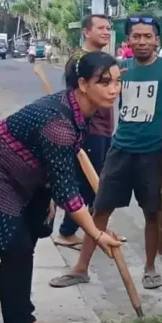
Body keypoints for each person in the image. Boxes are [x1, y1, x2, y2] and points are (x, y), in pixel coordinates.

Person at [0, 51, 123, 323]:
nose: (113, 89)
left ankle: (25, 319)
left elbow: (57, 169)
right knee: (15, 249)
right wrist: (95, 232)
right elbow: (69, 192)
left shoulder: (81, 111)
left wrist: (47, 197)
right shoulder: (58, 122)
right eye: (104, 81)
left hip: (27, 175)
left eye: (117, 81)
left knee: (28, 242)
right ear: (82, 84)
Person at [51, 14, 162, 291]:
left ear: (157, 40)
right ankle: (81, 268)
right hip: (120, 149)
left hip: (153, 152)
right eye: (136, 36)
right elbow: (84, 81)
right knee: (99, 209)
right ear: (128, 41)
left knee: (152, 212)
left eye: (148, 36)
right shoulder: (119, 68)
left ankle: (149, 268)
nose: (142, 41)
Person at [54, 15, 116, 250]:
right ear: (86, 32)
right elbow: (75, 98)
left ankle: (95, 227)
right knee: (89, 182)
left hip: (104, 127)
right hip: (88, 129)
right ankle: (68, 231)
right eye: (101, 28)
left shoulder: (102, 60)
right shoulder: (80, 61)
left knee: (98, 180)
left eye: (108, 28)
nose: (106, 32)